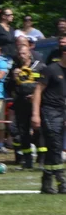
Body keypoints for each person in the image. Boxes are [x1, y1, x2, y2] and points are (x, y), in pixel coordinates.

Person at [31, 48, 66, 194]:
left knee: (53, 148)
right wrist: (35, 114)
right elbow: (38, 91)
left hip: (62, 111)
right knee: (55, 145)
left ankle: (46, 183)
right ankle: (61, 182)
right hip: (49, 111)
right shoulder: (51, 69)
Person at [7, 47, 41, 170]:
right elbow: (8, 87)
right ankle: (27, 160)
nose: (22, 55)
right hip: (21, 103)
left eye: (24, 53)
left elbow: (45, 84)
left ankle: (41, 159)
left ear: (29, 54)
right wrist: (13, 77)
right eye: (20, 53)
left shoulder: (39, 66)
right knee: (23, 132)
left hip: (36, 103)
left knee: (39, 131)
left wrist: (36, 95)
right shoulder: (15, 68)